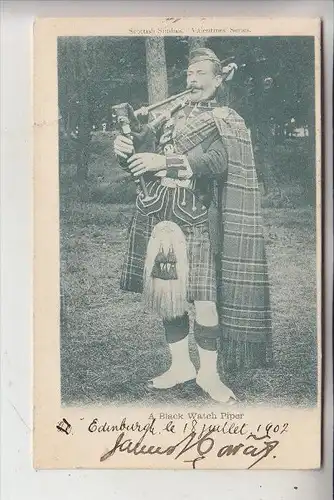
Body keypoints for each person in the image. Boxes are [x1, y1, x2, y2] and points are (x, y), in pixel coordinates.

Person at [113, 48, 272, 403]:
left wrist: (162, 161)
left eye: (201, 74)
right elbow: (139, 158)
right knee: (170, 298)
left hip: (198, 217)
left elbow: (217, 162)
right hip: (162, 216)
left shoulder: (225, 118)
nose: (193, 80)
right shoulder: (168, 117)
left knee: (204, 301)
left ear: (218, 80)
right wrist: (125, 147)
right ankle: (181, 366)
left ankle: (209, 375)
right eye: (189, 74)